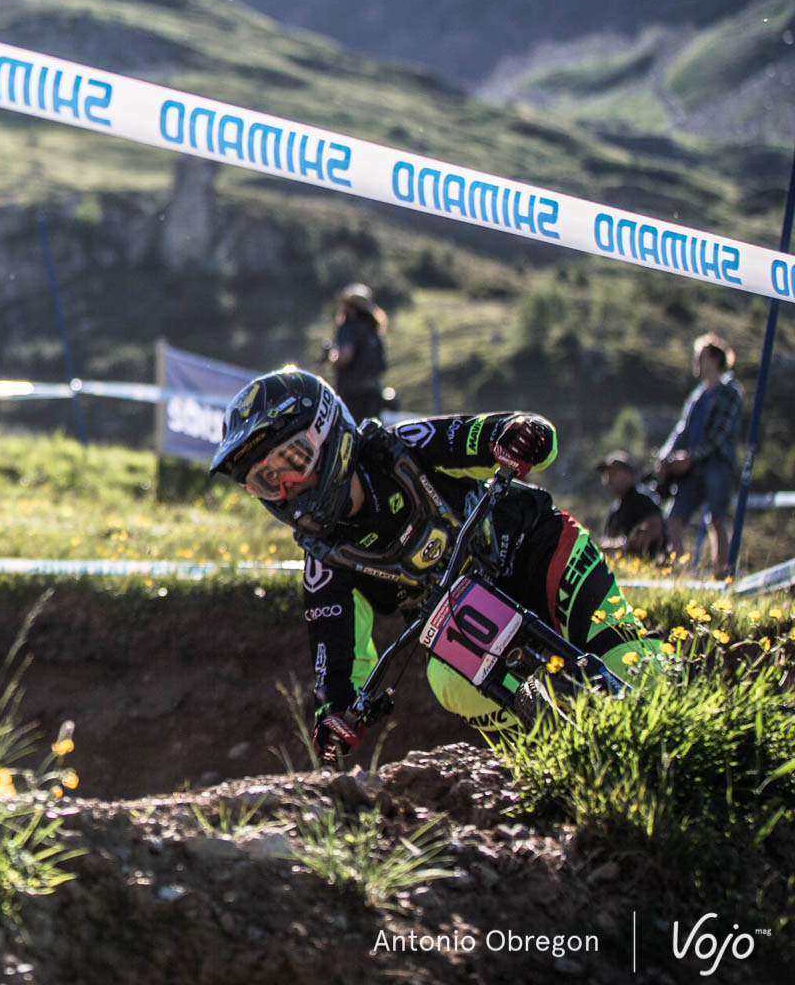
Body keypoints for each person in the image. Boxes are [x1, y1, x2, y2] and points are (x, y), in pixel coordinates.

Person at [210, 368, 657, 760]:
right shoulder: (325, 561)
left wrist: (525, 436)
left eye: (292, 460)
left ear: (330, 433)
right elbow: (338, 670)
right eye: (265, 481)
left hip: (541, 554)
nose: (286, 486)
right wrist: (337, 718)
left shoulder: (402, 448)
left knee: (635, 669)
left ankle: (689, 717)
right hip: (474, 628)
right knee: (450, 678)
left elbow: (506, 433)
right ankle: (552, 753)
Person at [655, 333, 744, 577]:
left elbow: (719, 435)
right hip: (691, 469)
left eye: (700, 356)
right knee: (674, 519)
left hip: (716, 467)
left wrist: (691, 457)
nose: (696, 361)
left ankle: (722, 575)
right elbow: (681, 431)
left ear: (715, 358)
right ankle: (680, 575)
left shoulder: (730, 393)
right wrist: (666, 457)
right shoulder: (698, 396)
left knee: (717, 520)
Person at [325, 283, 389, 422]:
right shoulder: (372, 330)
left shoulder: (348, 327)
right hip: (374, 393)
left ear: (352, 307)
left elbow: (345, 356)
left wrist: (332, 356)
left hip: (352, 393)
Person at [593, 450, 668, 562]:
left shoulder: (643, 501)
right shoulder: (616, 508)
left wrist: (621, 546)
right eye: (606, 474)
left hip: (648, 568)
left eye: (613, 473)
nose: (608, 478)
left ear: (629, 474)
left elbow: (654, 532)